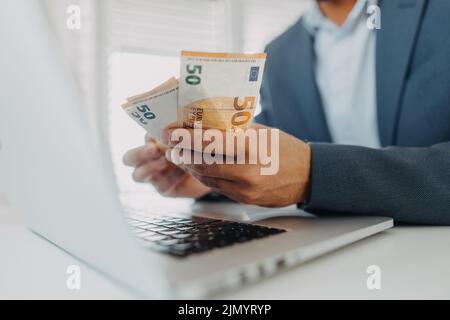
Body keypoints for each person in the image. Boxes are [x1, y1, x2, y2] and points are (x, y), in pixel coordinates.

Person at [123, 0, 450, 225]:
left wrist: (312, 174)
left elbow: (299, 167)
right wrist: (208, 178)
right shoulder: (279, 54)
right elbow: (272, 157)